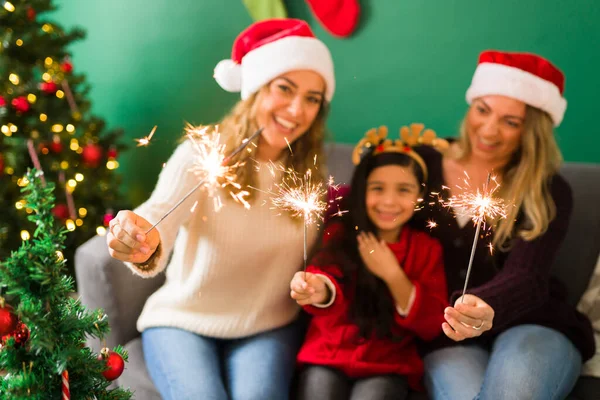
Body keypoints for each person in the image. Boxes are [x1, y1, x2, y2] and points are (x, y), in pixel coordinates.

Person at [105, 18, 335, 400]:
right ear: (257, 86)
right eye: (285, 88)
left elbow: (326, 260)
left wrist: (319, 288)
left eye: (312, 98)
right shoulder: (202, 154)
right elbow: (159, 213)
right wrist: (140, 237)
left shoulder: (311, 176)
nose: (297, 110)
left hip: (268, 327)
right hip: (182, 322)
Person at [411, 50, 595, 400]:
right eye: (483, 110)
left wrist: (484, 305)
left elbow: (528, 276)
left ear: (533, 130)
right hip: (447, 336)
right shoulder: (418, 163)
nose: (489, 130)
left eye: (511, 122)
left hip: (534, 324)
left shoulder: (548, 189)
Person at [290, 125, 449, 399]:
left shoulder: (426, 249)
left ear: (420, 196)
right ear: (361, 192)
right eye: (377, 188)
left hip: (387, 366)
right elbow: (325, 276)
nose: (389, 201)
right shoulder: (341, 234)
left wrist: (394, 276)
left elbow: (433, 323)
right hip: (327, 356)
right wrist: (316, 288)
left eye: (403, 190)